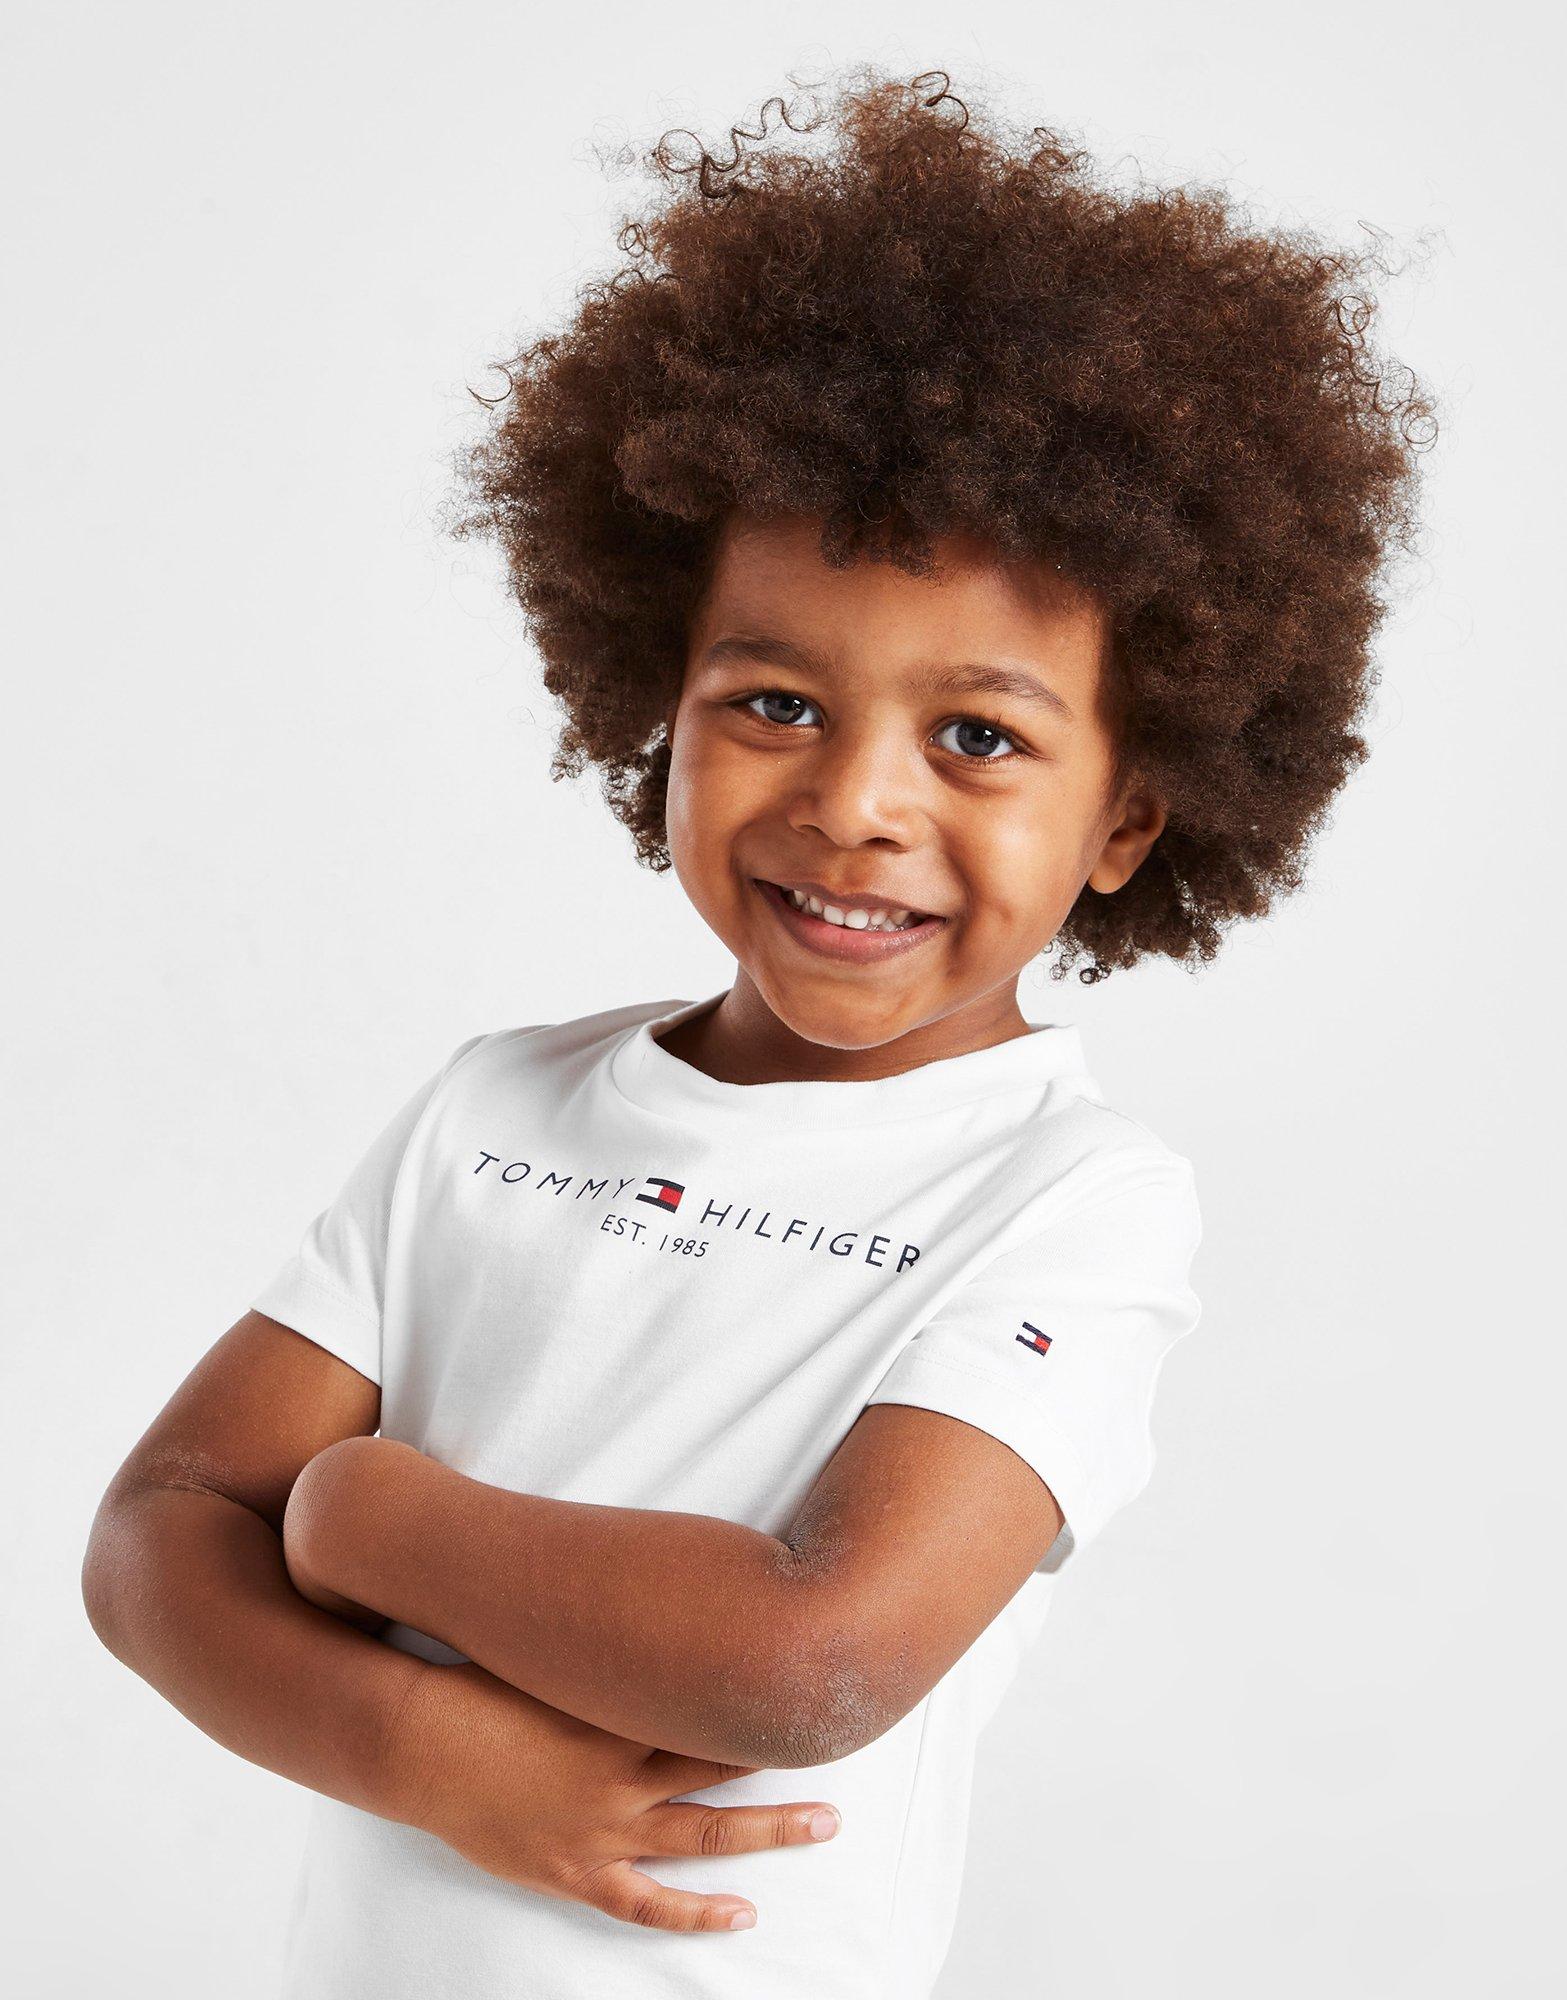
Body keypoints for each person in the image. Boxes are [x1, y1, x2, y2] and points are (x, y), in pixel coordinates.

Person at [80, 64, 1433, 2000]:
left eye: (978, 736)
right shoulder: (499, 1106)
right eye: (776, 703)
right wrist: (431, 1756)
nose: (856, 803)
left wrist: (366, 1509)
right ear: (661, 704)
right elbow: (154, 1533)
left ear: (1131, 821)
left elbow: (813, 1658)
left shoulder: (1069, 1201)